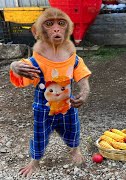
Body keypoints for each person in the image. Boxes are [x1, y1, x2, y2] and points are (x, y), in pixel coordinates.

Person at [9, 8, 91, 177]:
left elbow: (81, 74)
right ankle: (34, 161)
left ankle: (74, 150)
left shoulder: (72, 57)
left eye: (61, 23)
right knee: (39, 135)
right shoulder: (35, 61)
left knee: (73, 129)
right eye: (49, 24)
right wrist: (14, 66)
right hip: (43, 108)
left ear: (69, 28)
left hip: (67, 106)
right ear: (36, 32)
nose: (56, 29)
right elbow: (19, 71)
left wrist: (84, 92)